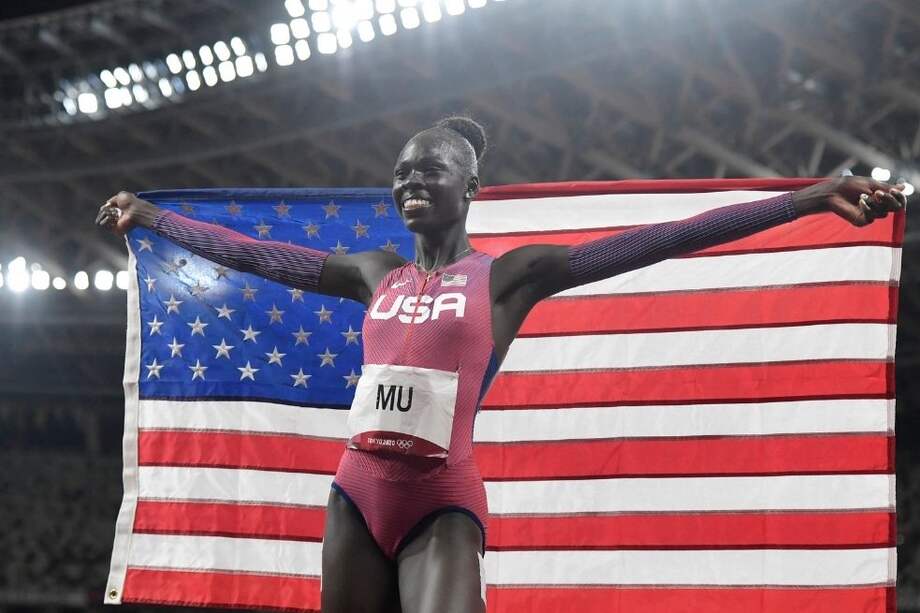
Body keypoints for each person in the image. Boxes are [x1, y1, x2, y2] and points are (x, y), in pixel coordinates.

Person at [96, 116, 906, 613]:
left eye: (431, 170)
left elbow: (655, 240)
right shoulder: (374, 271)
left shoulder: (511, 275)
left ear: (471, 185)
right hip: (354, 493)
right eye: (403, 171)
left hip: (441, 499)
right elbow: (261, 256)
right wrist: (154, 218)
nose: (412, 180)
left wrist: (803, 201)